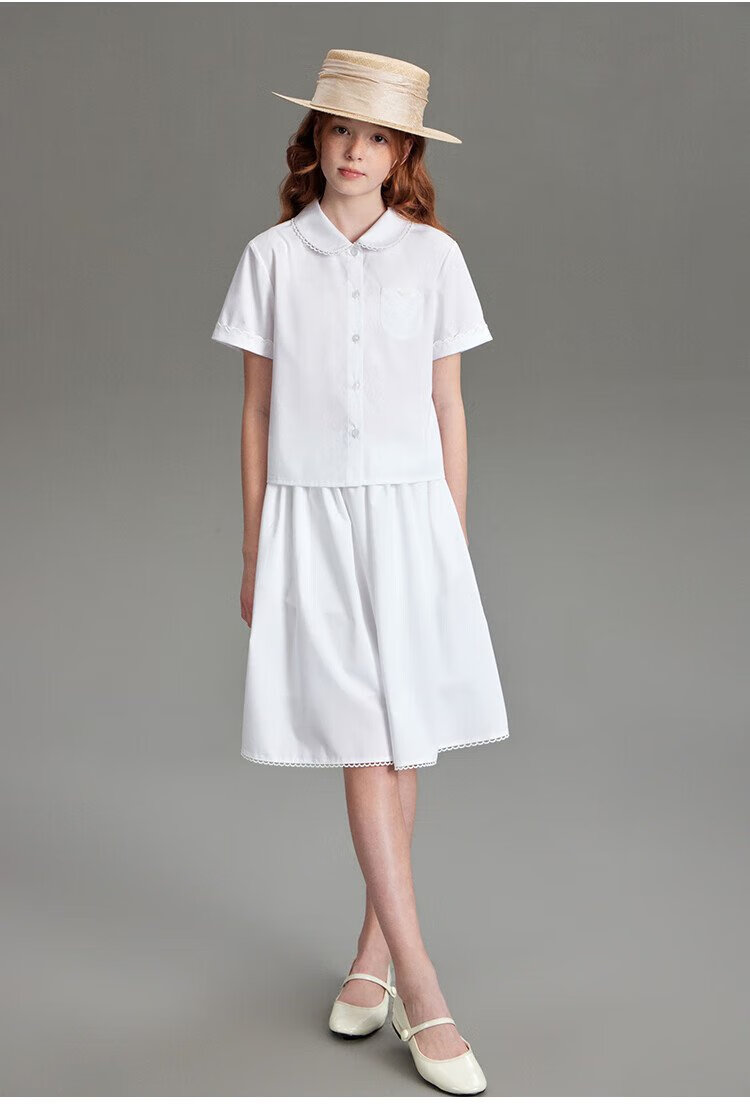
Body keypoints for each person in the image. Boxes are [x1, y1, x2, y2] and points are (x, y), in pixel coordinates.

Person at [211, 49, 510, 1096]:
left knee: (398, 730)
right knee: (363, 736)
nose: (355, 150)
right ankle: (423, 984)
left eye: (377, 135)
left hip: (411, 517)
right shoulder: (270, 259)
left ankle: (375, 955)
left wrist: (450, 544)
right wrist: (255, 548)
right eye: (340, 128)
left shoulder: (434, 259)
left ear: (402, 155)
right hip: (310, 517)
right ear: (316, 140)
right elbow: (256, 411)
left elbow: (448, 405)